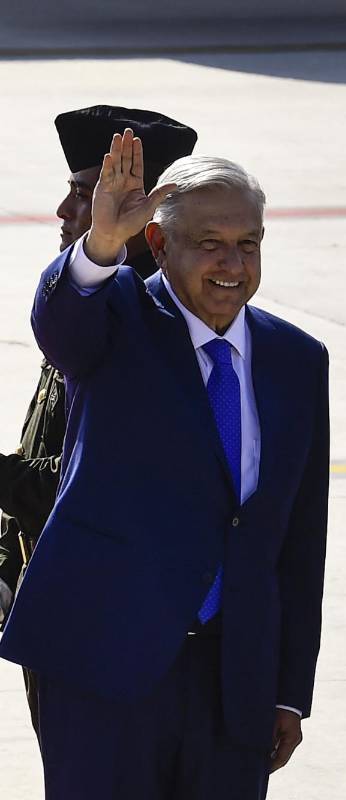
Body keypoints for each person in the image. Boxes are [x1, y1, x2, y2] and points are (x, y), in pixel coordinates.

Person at [0, 131, 330, 799]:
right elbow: (60, 323)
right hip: (103, 668)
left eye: (248, 244)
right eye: (210, 243)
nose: (232, 264)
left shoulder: (297, 360)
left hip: (232, 681)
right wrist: (97, 247)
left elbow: (298, 540)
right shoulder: (118, 320)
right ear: (159, 245)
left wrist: (290, 692)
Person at [0, 105, 197, 656]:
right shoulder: (81, 302)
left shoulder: (152, 323)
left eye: (84, 194)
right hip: (52, 595)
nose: (64, 210)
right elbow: (43, 440)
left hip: (108, 616)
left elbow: (89, 480)